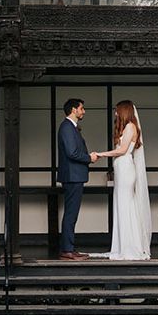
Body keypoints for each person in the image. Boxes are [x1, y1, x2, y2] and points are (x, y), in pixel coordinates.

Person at [93, 100, 151, 260]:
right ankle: (122, 245)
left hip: (125, 169)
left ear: (124, 111)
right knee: (122, 207)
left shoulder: (130, 126)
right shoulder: (127, 127)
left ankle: (129, 247)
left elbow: (123, 150)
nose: (115, 113)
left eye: (117, 111)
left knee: (126, 207)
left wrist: (101, 154)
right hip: (122, 169)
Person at [57, 98, 98, 261]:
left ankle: (69, 248)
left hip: (74, 176)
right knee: (71, 214)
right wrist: (89, 158)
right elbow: (72, 153)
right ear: (74, 110)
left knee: (71, 213)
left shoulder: (70, 127)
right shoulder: (67, 127)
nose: (84, 111)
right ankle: (67, 250)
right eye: (82, 108)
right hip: (72, 176)